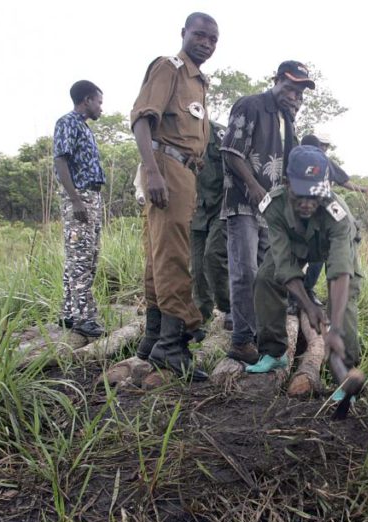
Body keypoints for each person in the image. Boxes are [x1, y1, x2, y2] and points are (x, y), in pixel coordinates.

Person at [130, 12, 219, 381]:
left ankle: (153, 339)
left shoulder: (199, 82)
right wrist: (152, 171)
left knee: (160, 254)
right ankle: (171, 346)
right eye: (200, 35)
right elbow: (141, 118)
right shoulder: (169, 68)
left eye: (213, 39)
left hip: (184, 173)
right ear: (184, 33)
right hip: (165, 167)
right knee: (174, 256)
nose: (206, 43)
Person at [220, 60, 315, 365]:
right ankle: (241, 340)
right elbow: (231, 151)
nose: (294, 96)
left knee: (266, 275)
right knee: (245, 270)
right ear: (275, 80)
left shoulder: (288, 121)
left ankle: (265, 339)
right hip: (244, 202)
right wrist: (253, 186)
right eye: (290, 87)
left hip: (271, 211)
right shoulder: (251, 105)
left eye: (300, 92)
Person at [248, 145, 362, 377]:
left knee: (344, 298)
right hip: (294, 246)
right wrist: (308, 307)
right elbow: (284, 265)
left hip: (332, 247)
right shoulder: (274, 206)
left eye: (315, 195)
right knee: (265, 278)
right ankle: (274, 352)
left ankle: (346, 371)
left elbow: (340, 272)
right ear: (286, 182)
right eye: (301, 194)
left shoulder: (338, 214)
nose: (308, 203)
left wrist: (335, 327)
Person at [294, 133, 368, 311]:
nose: (324, 149)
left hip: (321, 212)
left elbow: (343, 180)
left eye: (326, 146)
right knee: (301, 255)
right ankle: (298, 295)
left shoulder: (325, 161)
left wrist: (363, 189)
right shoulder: (296, 158)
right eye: (322, 145)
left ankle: (311, 292)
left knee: (329, 254)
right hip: (299, 213)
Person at [53, 80, 107, 338]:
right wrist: (75, 200)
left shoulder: (84, 128)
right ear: (86, 100)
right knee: (81, 257)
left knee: (85, 256)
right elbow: (61, 160)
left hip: (91, 196)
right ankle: (84, 318)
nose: (101, 108)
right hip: (80, 196)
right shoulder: (67, 123)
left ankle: (68, 312)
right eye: (99, 102)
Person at [190, 121, 232, 329]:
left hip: (221, 206)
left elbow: (233, 166)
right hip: (197, 207)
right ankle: (201, 315)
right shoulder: (179, 133)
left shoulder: (218, 133)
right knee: (197, 267)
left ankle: (229, 307)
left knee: (213, 256)